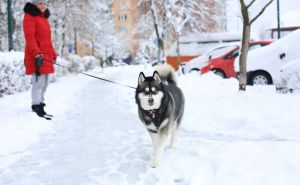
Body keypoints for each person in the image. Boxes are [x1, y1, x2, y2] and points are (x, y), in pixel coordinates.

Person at [23, 0, 57, 119]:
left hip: (46, 55)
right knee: (38, 82)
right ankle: (36, 105)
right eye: (39, 3)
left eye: (44, 3)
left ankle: (41, 103)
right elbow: (29, 37)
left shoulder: (43, 19)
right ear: (34, 5)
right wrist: (37, 52)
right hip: (36, 55)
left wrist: (53, 54)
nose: (42, 6)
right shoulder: (30, 17)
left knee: (45, 83)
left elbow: (47, 40)